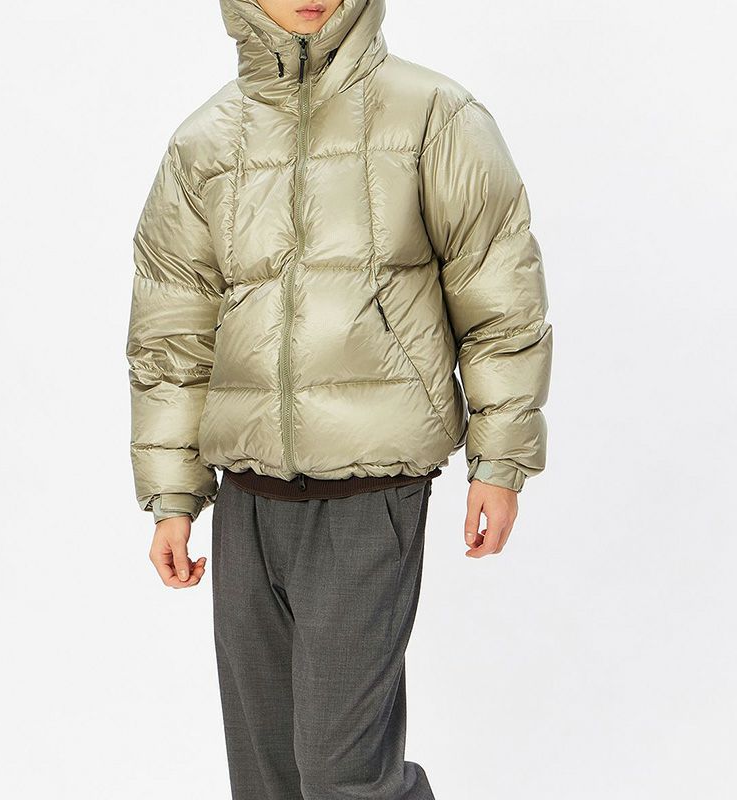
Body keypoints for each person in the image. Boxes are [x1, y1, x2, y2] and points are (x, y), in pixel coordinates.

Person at [125, 0, 553, 796]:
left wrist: (500, 461)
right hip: (248, 500)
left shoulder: (434, 117)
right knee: (266, 776)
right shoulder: (204, 144)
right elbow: (171, 336)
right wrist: (172, 497)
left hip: (371, 492)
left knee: (340, 772)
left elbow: (500, 301)